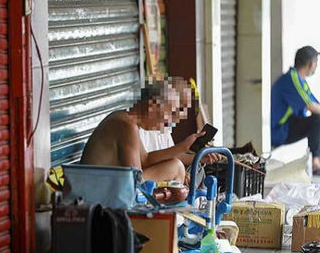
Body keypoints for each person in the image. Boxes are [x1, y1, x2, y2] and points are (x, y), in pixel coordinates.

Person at [80, 79, 219, 184]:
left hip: (103, 187)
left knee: (174, 166)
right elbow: (135, 180)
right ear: (152, 106)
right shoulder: (126, 125)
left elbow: (145, 160)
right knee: (175, 167)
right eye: (169, 112)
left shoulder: (127, 120)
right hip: (96, 193)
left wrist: (184, 149)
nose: (169, 120)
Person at [271, 46, 320, 176]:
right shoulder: (291, 79)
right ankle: (315, 164)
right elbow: (311, 106)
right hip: (279, 131)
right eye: (316, 62)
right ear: (311, 64)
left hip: (289, 126)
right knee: (319, 118)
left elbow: (317, 105)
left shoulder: (301, 81)